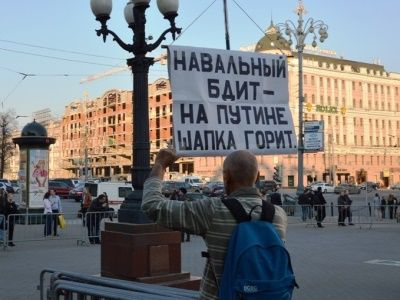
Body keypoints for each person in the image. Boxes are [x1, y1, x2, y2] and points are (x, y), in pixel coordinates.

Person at [141, 149, 287, 300]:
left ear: (225, 177)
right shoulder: (278, 215)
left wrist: (159, 165)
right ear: (257, 177)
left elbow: (152, 205)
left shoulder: (213, 210)